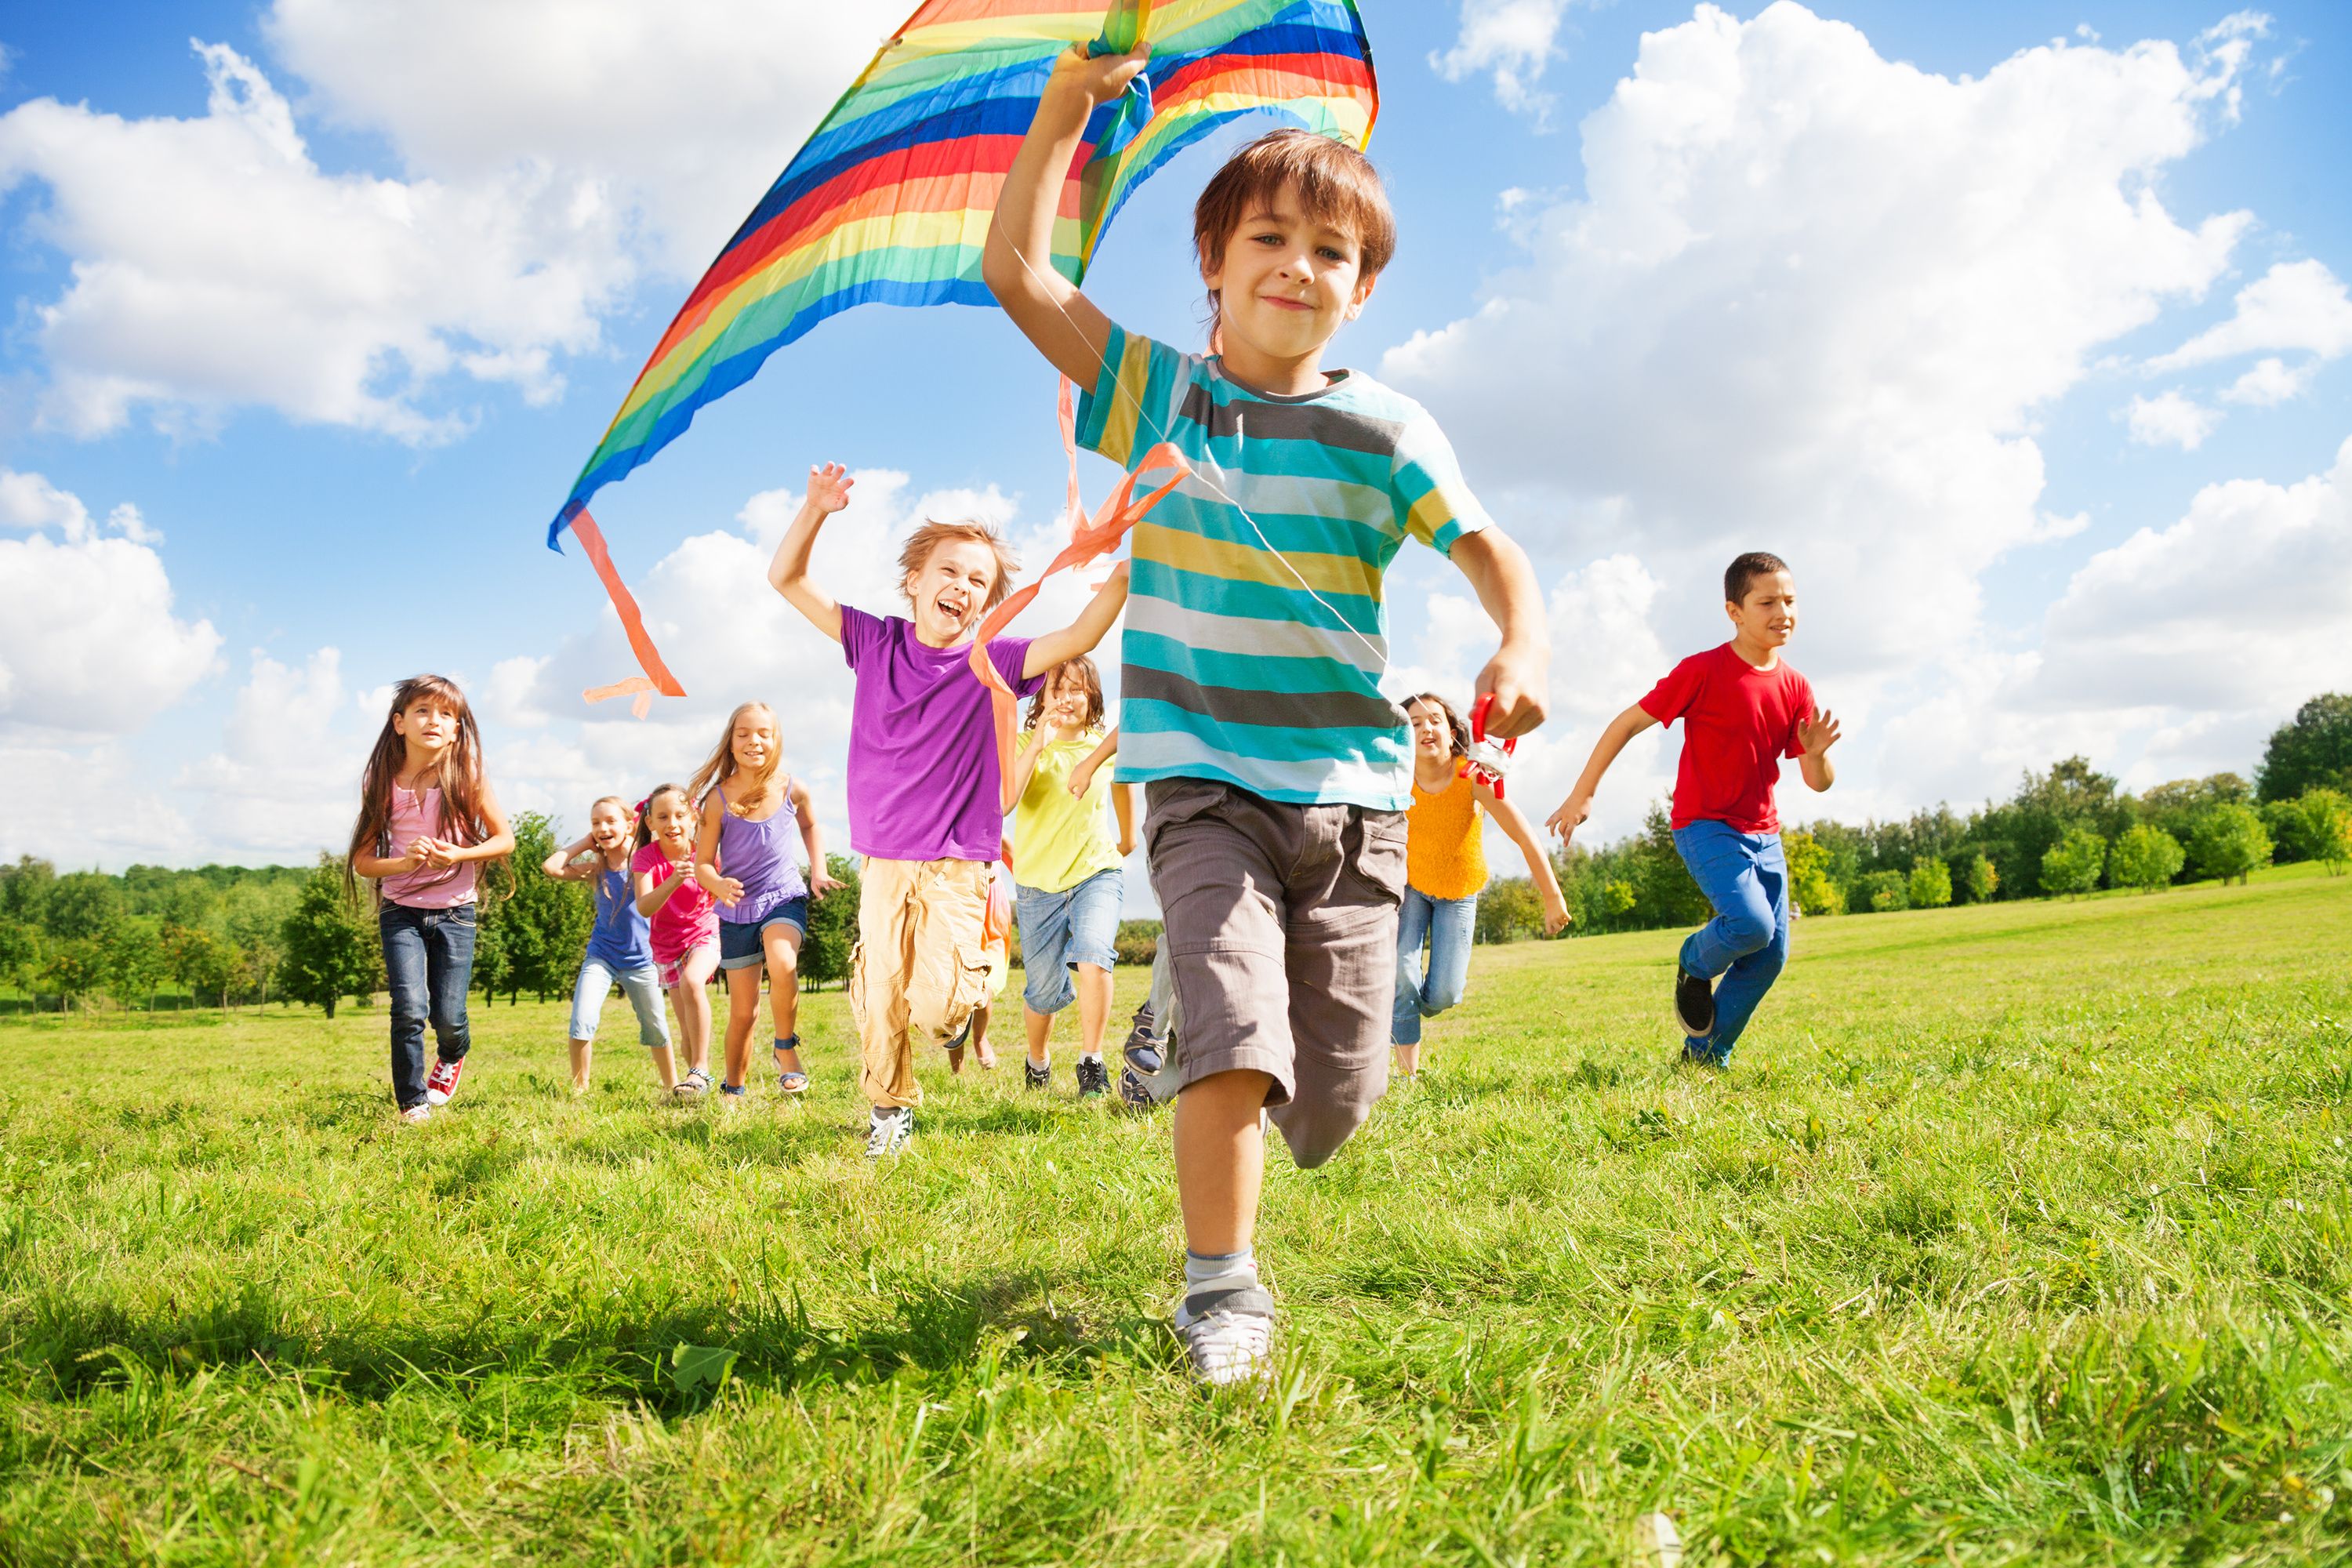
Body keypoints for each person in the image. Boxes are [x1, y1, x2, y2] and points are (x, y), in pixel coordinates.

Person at [985, 72, 1549, 1384]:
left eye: (1332, 251)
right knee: (1235, 1039)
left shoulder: (1385, 427)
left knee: (1338, 1096)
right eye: (1269, 240)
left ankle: (1232, 1051)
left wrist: (1519, 641)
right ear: (1213, 261)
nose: (1299, 267)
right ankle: (1221, 1292)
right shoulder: (1156, 396)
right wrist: (1068, 106)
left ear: (1363, 288)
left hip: (1349, 804)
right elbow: (1018, 272)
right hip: (1200, 790)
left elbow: (1491, 549)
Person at [767, 461, 1129, 1157]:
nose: (962, 587)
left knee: (935, 1007)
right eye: (951, 572)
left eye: (979, 582)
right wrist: (815, 510)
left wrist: (1120, 579)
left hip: (961, 863)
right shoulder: (874, 642)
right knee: (880, 992)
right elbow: (786, 579)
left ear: (990, 602)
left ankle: (971, 987)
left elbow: (1079, 638)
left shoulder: (994, 660)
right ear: (915, 580)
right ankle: (890, 1109)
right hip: (883, 860)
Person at [1545, 552, 1841, 1068]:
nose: (1783, 612)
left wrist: (1817, 754)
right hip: (1705, 824)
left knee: (1771, 955)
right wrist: (1583, 792)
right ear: (1735, 611)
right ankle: (1693, 960)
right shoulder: (1703, 671)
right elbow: (1626, 724)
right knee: (1751, 925)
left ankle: (1705, 1054)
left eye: (1790, 601)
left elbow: (1817, 783)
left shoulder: (1796, 687)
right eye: (1767, 601)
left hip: (1764, 833)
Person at [345, 673, 514, 1122]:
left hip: (456, 913)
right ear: (399, 723)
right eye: (422, 711)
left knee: (449, 1018)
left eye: (445, 714)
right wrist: (403, 864)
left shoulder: (467, 776)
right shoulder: (382, 783)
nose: (433, 721)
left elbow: (504, 840)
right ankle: (412, 1102)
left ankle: (453, 1055)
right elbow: (363, 861)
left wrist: (460, 853)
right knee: (409, 1008)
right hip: (400, 912)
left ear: (457, 728)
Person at [1392, 694, 1570, 1080]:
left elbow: (1524, 836)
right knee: (1401, 974)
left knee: (1444, 995)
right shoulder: (1395, 781)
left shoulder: (1472, 777)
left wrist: (1552, 897)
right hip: (1412, 888)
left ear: (1453, 731)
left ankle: (1403, 1008)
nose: (1425, 728)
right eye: (1415, 722)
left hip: (1459, 891)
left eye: (1434, 720)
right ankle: (1409, 1076)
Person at [688, 702, 839, 1102]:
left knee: (783, 962)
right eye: (744, 734)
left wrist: (818, 870)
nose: (754, 740)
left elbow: (810, 825)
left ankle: (785, 1048)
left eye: (763, 733)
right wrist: (717, 884)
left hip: (783, 896)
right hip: (737, 909)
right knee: (743, 1011)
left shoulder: (793, 788)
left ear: (776, 740)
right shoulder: (718, 800)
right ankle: (733, 1088)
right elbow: (702, 863)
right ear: (731, 742)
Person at [1006, 655, 1133, 1098]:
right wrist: (1039, 741)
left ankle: (1091, 1062)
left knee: (1095, 953)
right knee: (1042, 992)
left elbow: (1124, 781)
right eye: (1056, 690)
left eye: (1077, 689)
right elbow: (1006, 802)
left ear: (1092, 696)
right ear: (1040, 697)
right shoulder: (1023, 742)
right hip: (1037, 883)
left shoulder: (1103, 746)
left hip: (1095, 871)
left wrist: (1124, 843)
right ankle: (1037, 1060)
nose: (1066, 698)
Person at [544, 797, 674, 1094]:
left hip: (642, 959)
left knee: (656, 1028)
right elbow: (551, 867)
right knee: (582, 1021)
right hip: (601, 957)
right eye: (595, 823)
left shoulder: (645, 862)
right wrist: (585, 843)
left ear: (630, 825)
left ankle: (672, 1086)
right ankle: (580, 1089)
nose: (603, 828)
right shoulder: (595, 868)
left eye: (610, 821)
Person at [633, 782, 720, 1096]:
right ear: (650, 823)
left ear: (694, 817)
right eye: (663, 816)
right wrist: (673, 880)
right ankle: (698, 1082)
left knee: (693, 982)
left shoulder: (706, 852)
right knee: (686, 1035)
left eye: (680, 815)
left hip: (705, 933)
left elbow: (722, 887)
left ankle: (700, 1070)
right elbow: (644, 907)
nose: (673, 823)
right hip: (667, 949)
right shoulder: (646, 859)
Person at [952, 864, 1012, 1075]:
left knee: (984, 986)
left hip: (993, 917)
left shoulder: (995, 832)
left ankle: (980, 1038)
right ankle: (957, 1070)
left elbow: (1014, 858)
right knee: (957, 992)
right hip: (960, 907)